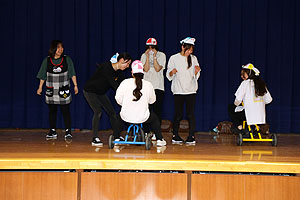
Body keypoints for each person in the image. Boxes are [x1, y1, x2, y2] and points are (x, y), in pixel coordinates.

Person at [83, 52, 132, 146]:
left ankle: (116, 136)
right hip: (90, 91)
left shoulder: (119, 72)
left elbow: (123, 85)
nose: (128, 66)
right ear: (122, 60)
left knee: (112, 113)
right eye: (127, 63)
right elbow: (115, 86)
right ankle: (95, 138)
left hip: (100, 93)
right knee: (98, 111)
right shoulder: (106, 67)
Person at [114, 60, 167, 146]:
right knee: (154, 119)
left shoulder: (125, 82)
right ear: (143, 73)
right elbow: (152, 101)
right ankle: (159, 139)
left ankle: (116, 137)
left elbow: (118, 99)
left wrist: (125, 105)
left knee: (119, 117)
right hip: (143, 117)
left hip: (126, 116)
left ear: (132, 72)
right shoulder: (148, 84)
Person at [37, 40, 78, 141]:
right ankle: (52, 131)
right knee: (52, 111)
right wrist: (40, 87)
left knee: (65, 111)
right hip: (51, 89)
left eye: (62, 47)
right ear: (53, 49)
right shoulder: (46, 61)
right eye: (58, 47)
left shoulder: (67, 59)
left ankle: (68, 132)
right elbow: (43, 75)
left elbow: (72, 73)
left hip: (63, 89)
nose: (61, 49)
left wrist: (75, 85)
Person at [166, 37, 201, 144]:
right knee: (178, 114)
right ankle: (175, 135)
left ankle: (191, 136)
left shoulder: (193, 58)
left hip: (191, 91)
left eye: (191, 50)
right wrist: (172, 72)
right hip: (178, 90)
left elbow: (196, 76)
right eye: (188, 49)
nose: (190, 52)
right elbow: (168, 74)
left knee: (190, 114)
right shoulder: (174, 58)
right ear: (182, 47)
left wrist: (196, 72)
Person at [228, 63, 272, 133]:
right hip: (260, 115)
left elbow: (238, 100)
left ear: (249, 73)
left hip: (248, 114)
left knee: (230, 108)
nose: (242, 76)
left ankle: (240, 128)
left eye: (243, 74)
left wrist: (235, 105)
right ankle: (256, 128)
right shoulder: (261, 84)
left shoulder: (245, 83)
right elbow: (269, 100)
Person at [140, 38, 166, 126]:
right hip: (146, 86)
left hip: (158, 86)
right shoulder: (143, 56)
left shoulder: (161, 55)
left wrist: (154, 57)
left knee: (157, 110)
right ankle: (146, 131)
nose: (151, 49)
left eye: (153, 47)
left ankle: (156, 132)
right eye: (149, 47)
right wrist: (147, 57)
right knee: (146, 109)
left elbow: (158, 68)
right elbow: (146, 69)